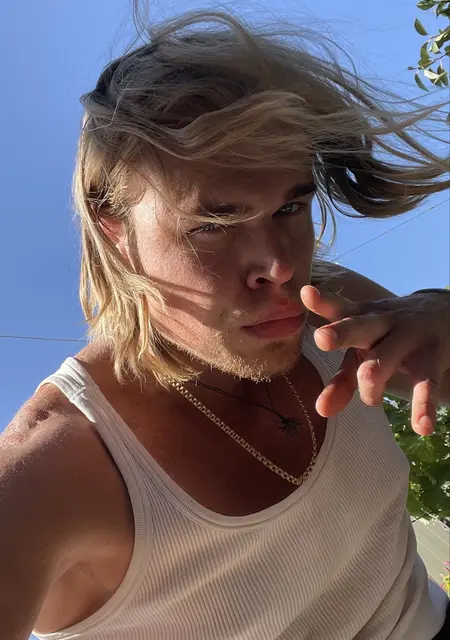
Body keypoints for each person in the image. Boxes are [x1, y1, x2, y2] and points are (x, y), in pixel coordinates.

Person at [1, 8, 449, 640]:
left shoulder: (328, 304)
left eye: (290, 207)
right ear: (116, 230)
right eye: (214, 223)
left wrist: (442, 315)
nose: (279, 266)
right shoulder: (52, 468)